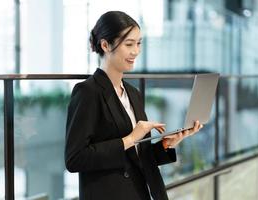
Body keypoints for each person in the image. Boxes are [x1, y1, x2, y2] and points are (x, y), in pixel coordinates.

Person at [64, 11, 203, 200]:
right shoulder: (88, 92)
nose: (136, 51)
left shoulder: (134, 94)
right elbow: (75, 159)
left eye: (138, 44)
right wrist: (129, 139)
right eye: (129, 44)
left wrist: (164, 145)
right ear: (105, 45)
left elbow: (137, 158)